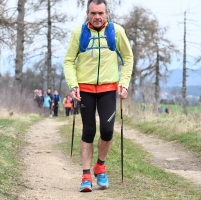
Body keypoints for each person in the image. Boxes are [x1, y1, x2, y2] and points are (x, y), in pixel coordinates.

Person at [63, 0, 133, 192]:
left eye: (100, 13)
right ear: (87, 13)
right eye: (93, 13)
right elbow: (69, 60)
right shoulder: (78, 33)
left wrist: (124, 83)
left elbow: (128, 58)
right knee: (88, 130)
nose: (97, 17)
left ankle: (100, 167)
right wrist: (73, 85)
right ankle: (86, 176)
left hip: (109, 89)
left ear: (107, 13)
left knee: (108, 130)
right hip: (84, 90)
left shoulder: (117, 31)